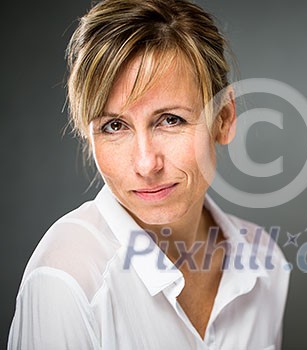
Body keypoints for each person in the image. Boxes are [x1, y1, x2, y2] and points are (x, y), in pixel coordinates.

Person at [7, 0, 290, 349]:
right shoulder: (66, 280)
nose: (146, 164)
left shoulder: (265, 261)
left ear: (225, 118)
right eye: (114, 126)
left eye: (170, 120)